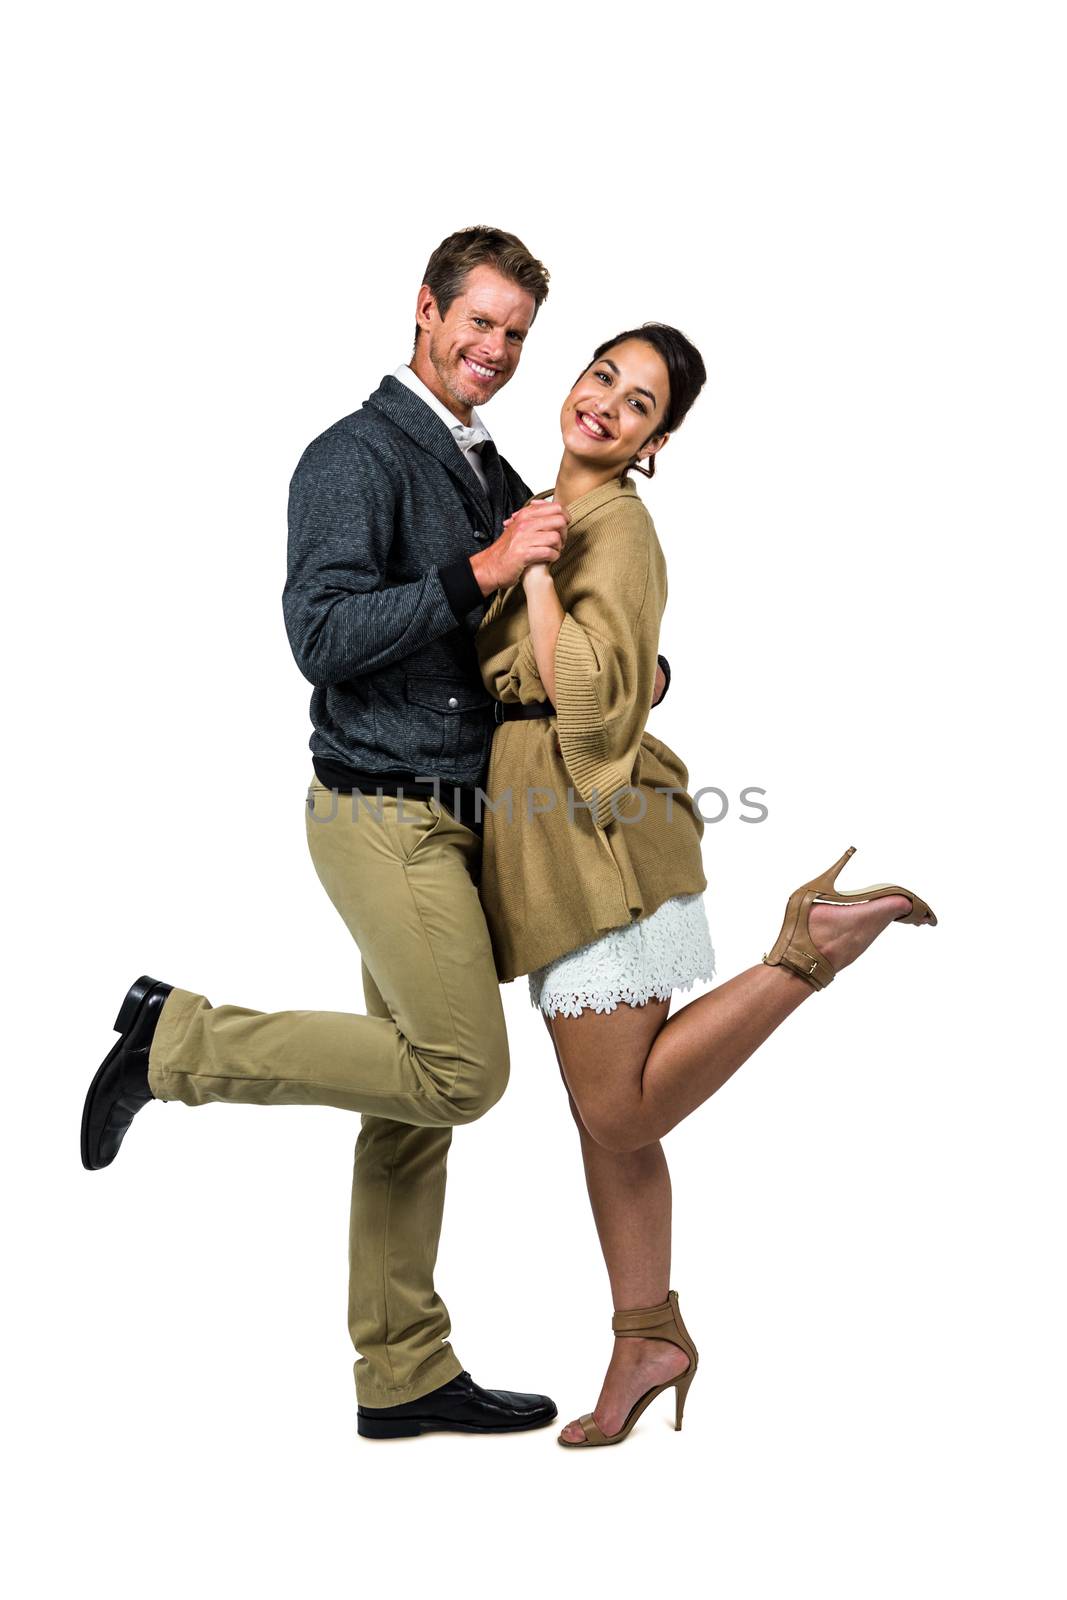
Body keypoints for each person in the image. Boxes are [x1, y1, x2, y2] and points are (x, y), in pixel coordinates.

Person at [80, 226, 603, 1440]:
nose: (496, 350)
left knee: (410, 1106)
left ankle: (402, 1368)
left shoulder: (481, 461)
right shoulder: (353, 454)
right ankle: (177, 1043)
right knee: (462, 1072)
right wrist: (481, 565)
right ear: (422, 309)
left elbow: (508, 637)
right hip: (381, 813)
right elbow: (317, 634)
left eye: (516, 335)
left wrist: (625, 670)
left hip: (454, 815)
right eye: (478, 322)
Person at [475, 323, 937, 1448]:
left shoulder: (613, 529)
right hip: (558, 837)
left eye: (636, 404)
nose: (605, 405)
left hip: (598, 834)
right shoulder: (554, 500)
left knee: (616, 1106)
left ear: (654, 442)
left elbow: (583, 699)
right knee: (614, 1133)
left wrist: (531, 569)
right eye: (600, 377)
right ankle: (647, 1335)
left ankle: (806, 949)